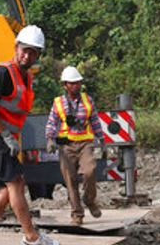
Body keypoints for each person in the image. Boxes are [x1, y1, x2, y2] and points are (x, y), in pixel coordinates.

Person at [0, 25, 59, 245]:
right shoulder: (3, 72)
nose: (27, 55)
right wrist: (6, 135)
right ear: (16, 47)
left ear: (38, 55)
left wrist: (11, 137)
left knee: (4, 192)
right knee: (16, 184)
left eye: (33, 52)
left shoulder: (25, 78)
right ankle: (32, 237)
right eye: (24, 50)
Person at [45, 66, 106, 225]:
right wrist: (50, 139)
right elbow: (52, 123)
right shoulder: (58, 103)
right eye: (72, 83)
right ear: (65, 85)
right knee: (70, 180)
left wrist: (102, 140)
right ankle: (77, 215)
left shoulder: (88, 100)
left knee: (89, 171)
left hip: (85, 143)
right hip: (66, 146)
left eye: (78, 83)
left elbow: (94, 121)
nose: (76, 86)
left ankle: (89, 200)